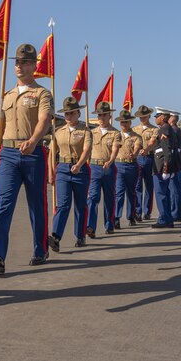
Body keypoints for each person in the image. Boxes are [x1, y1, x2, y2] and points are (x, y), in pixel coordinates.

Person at [0, 43, 53, 275]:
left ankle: (41, 249)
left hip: (32, 153)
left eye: (25, 62)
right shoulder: (5, 95)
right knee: (2, 204)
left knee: (36, 205)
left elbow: (44, 120)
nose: (20, 65)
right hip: (8, 154)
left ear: (34, 66)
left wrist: (33, 140)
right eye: (17, 62)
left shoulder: (42, 93)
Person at [48, 96, 92, 251]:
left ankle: (80, 236)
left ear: (78, 113)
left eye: (72, 113)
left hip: (80, 171)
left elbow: (87, 151)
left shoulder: (86, 131)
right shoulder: (58, 132)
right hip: (63, 170)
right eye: (67, 113)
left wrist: (79, 164)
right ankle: (56, 237)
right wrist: (51, 171)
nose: (69, 116)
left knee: (80, 205)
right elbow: (52, 153)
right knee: (63, 204)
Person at [86, 101, 121, 236]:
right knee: (93, 197)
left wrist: (111, 160)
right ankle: (90, 227)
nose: (101, 118)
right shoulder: (91, 132)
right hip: (94, 167)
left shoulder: (115, 133)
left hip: (108, 168)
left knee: (109, 197)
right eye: (99, 115)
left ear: (109, 116)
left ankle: (109, 224)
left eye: (103, 115)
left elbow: (115, 149)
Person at [114, 109, 143, 228]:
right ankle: (116, 217)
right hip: (119, 165)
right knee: (119, 193)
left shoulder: (136, 136)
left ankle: (131, 216)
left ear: (130, 122)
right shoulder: (116, 135)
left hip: (131, 165)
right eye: (122, 122)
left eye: (126, 122)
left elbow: (137, 146)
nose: (123, 124)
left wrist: (134, 153)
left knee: (131, 192)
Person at [151, 107, 176, 228]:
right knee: (165, 193)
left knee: (161, 194)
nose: (156, 119)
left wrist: (166, 168)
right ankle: (168, 219)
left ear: (163, 117)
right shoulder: (167, 128)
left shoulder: (164, 129)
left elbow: (167, 150)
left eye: (157, 116)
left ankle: (163, 219)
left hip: (161, 166)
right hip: (163, 165)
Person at [132, 105, 158, 221]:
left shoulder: (154, 129)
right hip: (137, 159)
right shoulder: (134, 129)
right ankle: (137, 211)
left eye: (144, 116)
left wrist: (146, 150)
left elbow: (152, 142)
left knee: (149, 186)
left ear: (149, 116)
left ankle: (147, 211)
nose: (142, 118)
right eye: (140, 116)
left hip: (149, 158)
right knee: (137, 186)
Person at [167, 111, 181, 221]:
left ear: (172, 120)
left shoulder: (173, 130)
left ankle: (175, 213)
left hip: (173, 161)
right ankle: (176, 213)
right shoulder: (177, 130)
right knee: (175, 188)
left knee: (174, 190)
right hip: (177, 161)